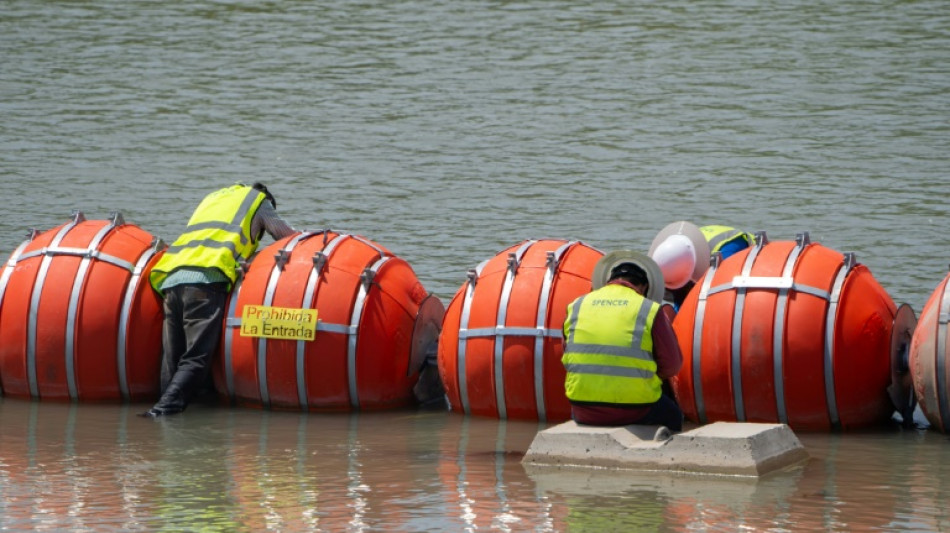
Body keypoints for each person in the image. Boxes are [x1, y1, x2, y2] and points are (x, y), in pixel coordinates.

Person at [140, 182, 296, 417]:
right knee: (197, 357)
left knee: (172, 356)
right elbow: (286, 236)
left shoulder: (214, 199)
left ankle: (165, 410)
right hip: (206, 280)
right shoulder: (258, 202)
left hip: (171, 278)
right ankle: (163, 411)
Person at [561, 252, 684, 431]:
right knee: (674, 415)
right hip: (636, 409)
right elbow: (673, 365)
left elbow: (568, 356)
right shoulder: (649, 309)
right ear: (643, 287)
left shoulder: (576, 305)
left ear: (608, 281)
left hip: (583, 409)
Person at [649, 221, 755, 310]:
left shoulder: (726, 253)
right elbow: (681, 302)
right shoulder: (669, 254)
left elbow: (725, 299)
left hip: (751, 261)